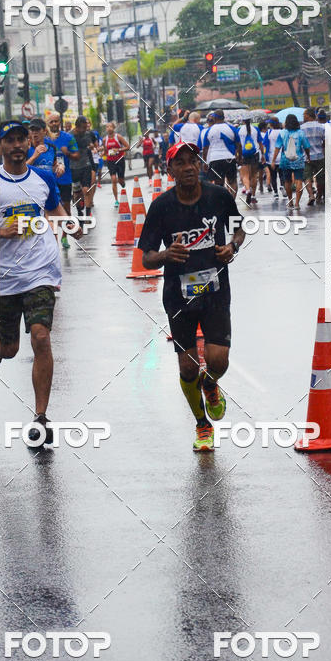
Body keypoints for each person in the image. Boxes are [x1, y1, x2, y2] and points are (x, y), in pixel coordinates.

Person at [0, 121, 80, 445]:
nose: (18, 145)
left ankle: (41, 417)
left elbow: (55, 209)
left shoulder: (44, 178)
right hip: (2, 277)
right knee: (10, 348)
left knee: (41, 338)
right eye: (11, 140)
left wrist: (70, 224)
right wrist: (1, 232)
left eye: (22, 139)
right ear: (1, 147)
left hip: (40, 272)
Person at [139, 142, 245, 452]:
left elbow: (239, 229)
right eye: (180, 163)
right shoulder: (161, 207)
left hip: (215, 290)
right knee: (187, 368)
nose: (188, 167)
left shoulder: (218, 196)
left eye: (192, 161)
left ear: (199, 165)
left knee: (218, 360)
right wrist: (164, 254)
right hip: (177, 296)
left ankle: (210, 383)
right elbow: (146, 258)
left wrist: (232, 247)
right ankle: (202, 425)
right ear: (169, 170)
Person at [46, 112, 80, 249]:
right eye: (51, 122)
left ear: (60, 122)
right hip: (49, 180)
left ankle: (65, 237)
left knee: (66, 208)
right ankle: (52, 238)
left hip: (65, 179)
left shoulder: (68, 138)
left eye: (56, 121)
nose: (54, 124)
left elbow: (77, 155)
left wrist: (68, 153)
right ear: (48, 124)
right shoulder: (45, 139)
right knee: (49, 210)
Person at [271, 114, 311, 209]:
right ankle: (297, 204)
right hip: (299, 160)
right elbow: (307, 147)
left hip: (285, 161)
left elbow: (277, 147)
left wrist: (273, 160)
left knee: (287, 182)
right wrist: (308, 157)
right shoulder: (301, 133)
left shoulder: (282, 133)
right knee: (299, 181)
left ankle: (290, 202)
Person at [202, 109, 241, 196]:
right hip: (229, 158)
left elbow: (205, 148)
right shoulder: (231, 128)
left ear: (214, 118)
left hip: (215, 159)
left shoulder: (209, 130)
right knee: (232, 181)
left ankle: (221, 202)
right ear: (223, 117)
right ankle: (232, 201)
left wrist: (205, 162)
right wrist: (239, 157)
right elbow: (239, 145)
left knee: (218, 183)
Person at [70, 116, 97, 218]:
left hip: (86, 165)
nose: (85, 130)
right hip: (73, 167)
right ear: (77, 127)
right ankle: (79, 211)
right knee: (77, 194)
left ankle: (88, 214)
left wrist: (91, 147)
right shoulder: (70, 136)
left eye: (86, 128)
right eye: (83, 128)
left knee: (87, 190)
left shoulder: (88, 134)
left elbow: (93, 145)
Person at [301, 108, 326, 206]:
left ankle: (311, 195)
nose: (303, 117)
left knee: (307, 177)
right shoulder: (321, 127)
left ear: (308, 115)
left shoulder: (301, 128)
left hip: (306, 157)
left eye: (304, 115)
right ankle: (319, 195)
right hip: (319, 156)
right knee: (320, 177)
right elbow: (325, 141)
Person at [237, 117, 264, 205]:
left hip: (243, 154)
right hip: (254, 153)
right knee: (253, 175)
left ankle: (248, 190)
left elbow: (238, 144)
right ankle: (253, 196)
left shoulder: (239, 130)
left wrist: (238, 156)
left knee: (245, 175)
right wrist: (263, 155)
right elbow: (260, 143)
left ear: (243, 121)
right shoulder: (255, 129)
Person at [103, 121, 129, 206]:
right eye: (107, 127)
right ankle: (116, 200)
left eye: (110, 126)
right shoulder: (105, 139)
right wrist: (102, 153)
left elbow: (127, 147)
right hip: (111, 161)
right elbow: (105, 151)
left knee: (120, 180)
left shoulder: (118, 137)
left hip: (120, 160)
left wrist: (118, 150)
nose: (108, 128)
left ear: (113, 128)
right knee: (113, 179)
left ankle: (122, 182)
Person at [264, 118, 283, 197]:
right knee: (282, 175)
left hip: (271, 158)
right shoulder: (282, 132)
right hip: (282, 157)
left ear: (271, 124)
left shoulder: (269, 132)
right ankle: (282, 186)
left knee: (273, 176)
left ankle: (275, 193)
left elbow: (264, 143)